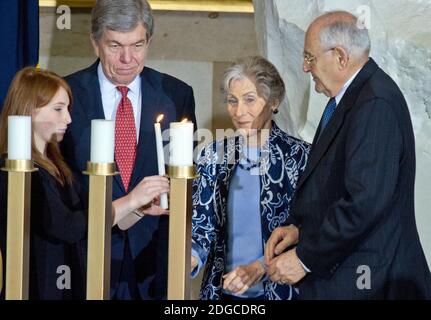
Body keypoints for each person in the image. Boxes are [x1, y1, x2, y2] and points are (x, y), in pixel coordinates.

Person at [265, 11, 431, 299]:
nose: (305, 68)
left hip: (370, 281)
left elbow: (363, 204)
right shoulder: (351, 99)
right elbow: (333, 188)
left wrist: (304, 257)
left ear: (340, 57)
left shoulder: (374, 104)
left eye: (310, 57)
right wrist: (300, 230)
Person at [61, 0, 196, 300]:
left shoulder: (177, 95)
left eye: (137, 45)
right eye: (114, 46)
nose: (127, 58)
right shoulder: (65, 95)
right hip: (84, 260)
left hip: (153, 265)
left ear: (148, 41)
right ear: (95, 43)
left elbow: (185, 181)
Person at [0, 67, 169, 299]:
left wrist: (138, 208)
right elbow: (68, 226)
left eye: (68, 109)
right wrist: (130, 200)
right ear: (29, 109)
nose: (68, 118)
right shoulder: (17, 169)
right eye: (58, 109)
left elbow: (96, 220)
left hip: (69, 283)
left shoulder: (57, 166)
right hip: (38, 286)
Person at [190, 56, 310, 300]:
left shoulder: (300, 157)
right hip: (221, 295)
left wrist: (260, 267)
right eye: (232, 101)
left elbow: (311, 229)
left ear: (274, 101)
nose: (239, 111)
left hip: (282, 292)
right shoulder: (213, 155)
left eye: (249, 100)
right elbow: (202, 224)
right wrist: (190, 256)